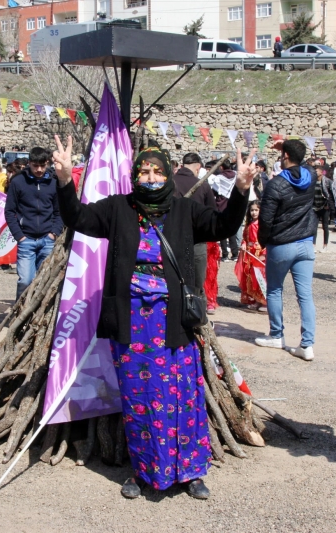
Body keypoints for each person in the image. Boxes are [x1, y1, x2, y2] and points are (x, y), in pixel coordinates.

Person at [53, 135, 255, 500]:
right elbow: (78, 218)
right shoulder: (117, 208)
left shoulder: (185, 209)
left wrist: (241, 189)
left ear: (167, 174)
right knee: (140, 399)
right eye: (144, 171)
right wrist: (66, 180)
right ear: (134, 174)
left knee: (183, 398)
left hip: (175, 321)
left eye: (157, 171)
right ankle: (146, 472)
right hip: (132, 324)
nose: (150, 177)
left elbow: (223, 226)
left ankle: (191, 471)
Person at [254, 139, 318, 362]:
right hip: (306, 242)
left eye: (283, 154)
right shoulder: (312, 175)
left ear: (286, 156)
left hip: (281, 243)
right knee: (305, 295)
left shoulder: (276, 184)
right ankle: (307, 344)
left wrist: (262, 242)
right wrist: (288, 145)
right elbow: (303, 161)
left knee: (274, 290)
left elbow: (266, 218)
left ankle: (277, 335)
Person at [4, 146, 63, 300]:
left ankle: (38, 319)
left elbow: (59, 211)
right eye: (35, 165)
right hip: (26, 240)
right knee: (25, 281)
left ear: (48, 164)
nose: (39, 169)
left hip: (47, 239)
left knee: (45, 282)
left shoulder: (54, 182)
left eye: (43, 165)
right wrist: (19, 236)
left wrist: (53, 233)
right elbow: (10, 211)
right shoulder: (18, 182)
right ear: (29, 163)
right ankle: (19, 317)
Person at [172, 152, 217, 311]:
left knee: (174, 282)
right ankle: (199, 321)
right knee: (197, 286)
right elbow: (212, 213)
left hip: (172, 240)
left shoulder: (171, 183)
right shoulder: (203, 185)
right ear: (198, 167)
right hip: (197, 241)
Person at [236, 200, 267, 313]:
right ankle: (255, 299)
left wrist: (264, 254)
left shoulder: (262, 225)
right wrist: (244, 244)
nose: (254, 212)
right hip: (249, 254)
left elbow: (266, 240)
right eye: (252, 210)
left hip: (258, 254)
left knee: (260, 277)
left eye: (256, 210)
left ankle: (264, 301)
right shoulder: (249, 224)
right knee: (250, 277)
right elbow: (245, 238)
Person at [313, 164, 332, 253]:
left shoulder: (327, 181)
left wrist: (328, 204)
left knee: (325, 227)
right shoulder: (312, 182)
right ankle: (313, 245)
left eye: (316, 171)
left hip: (324, 207)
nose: (315, 172)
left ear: (321, 172)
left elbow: (331, 195)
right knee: (314, 227)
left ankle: (325, 245)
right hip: (314, 207)